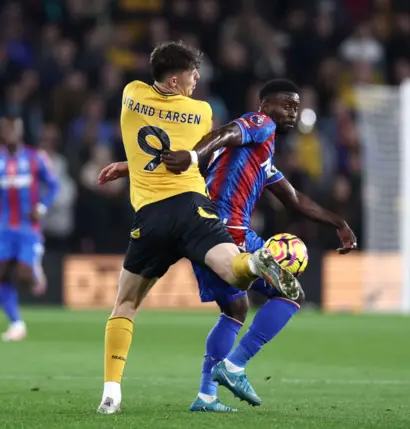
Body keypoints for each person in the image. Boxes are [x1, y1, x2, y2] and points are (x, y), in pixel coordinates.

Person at [98, 79, 358, 412]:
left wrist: (339, 223)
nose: (293, 111)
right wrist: (193, 153)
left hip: (202, 228)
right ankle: (234, 366)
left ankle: (206, 395)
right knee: (292, 293)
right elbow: (223, 133)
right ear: (265, 106)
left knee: (235, 310)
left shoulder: (257, 153)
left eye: (296, 105)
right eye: (286, 104)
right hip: (226, 232)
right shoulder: (258, 124)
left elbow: (294, 199)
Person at [96, 42, 297, 415]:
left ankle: (111, 395)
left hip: (151, 217)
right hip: (192, 208)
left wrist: (130, 166)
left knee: (124, 304)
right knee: (235, 272)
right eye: (192, 73)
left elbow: (151, 147)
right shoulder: (200, 111)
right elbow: (196, 159)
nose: (197, 79)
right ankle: (256, 263)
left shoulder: (131, 94)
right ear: (175, 80)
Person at [0, 115, 59, 341]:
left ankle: (35, 271)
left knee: (23, 274)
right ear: (1, 133)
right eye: (6, 129)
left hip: (28, 226)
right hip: (2, 227)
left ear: (21, 131)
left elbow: (54, 184)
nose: (10, 133)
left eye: (14, 128)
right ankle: (16, 323)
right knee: (1, 275)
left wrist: (42, 206)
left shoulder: (35, 157)